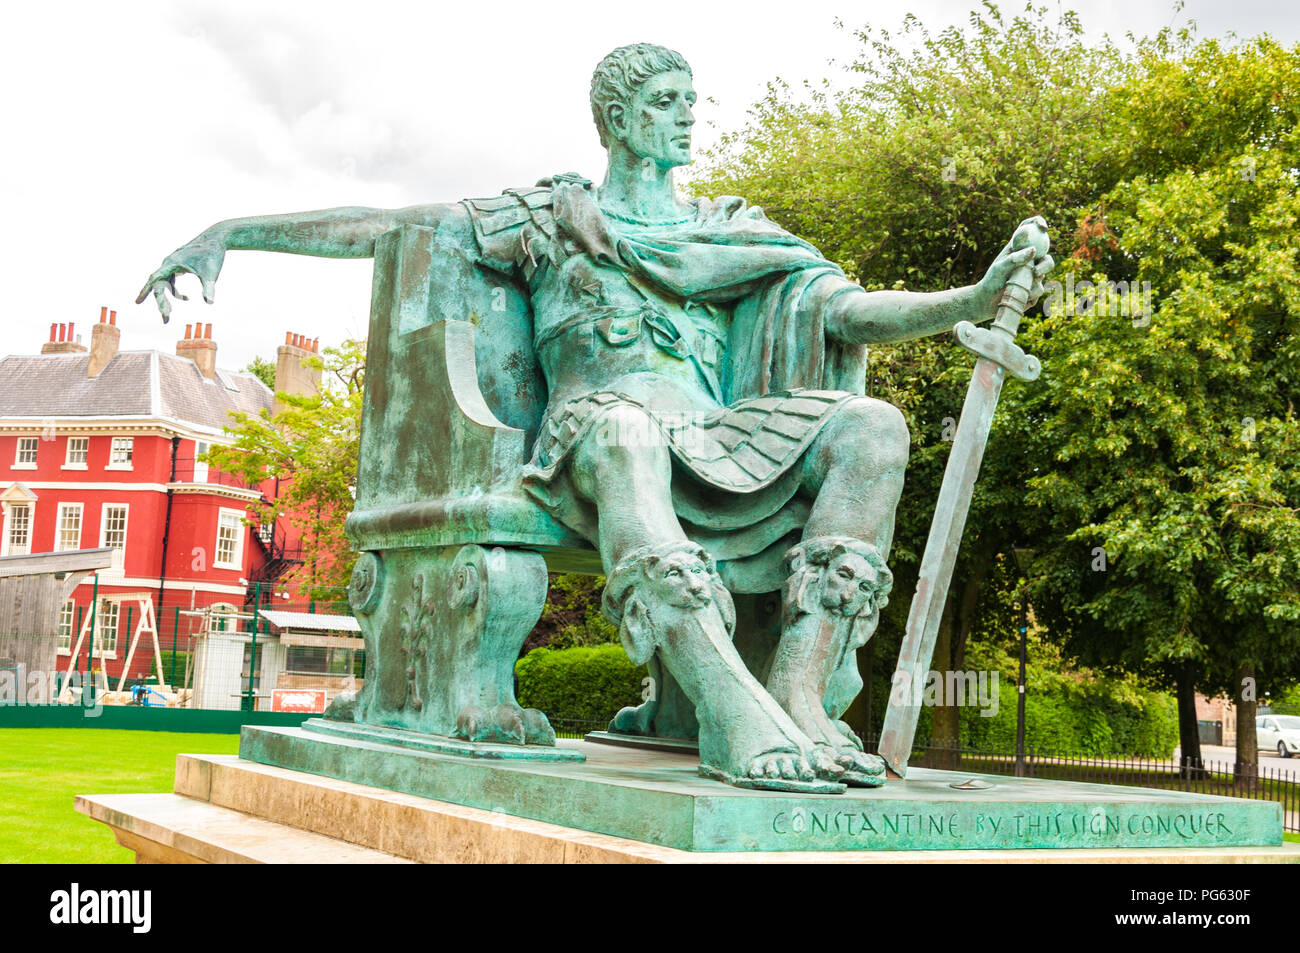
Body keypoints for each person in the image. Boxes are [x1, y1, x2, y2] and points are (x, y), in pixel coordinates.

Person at [138, 43, 1051, 793]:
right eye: (665, 100)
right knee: (627, 434)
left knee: (874, 424)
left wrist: (969, 296)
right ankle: (731, 715)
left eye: (692, 99)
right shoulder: (547, 215)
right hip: (596, 432)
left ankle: (799, 695)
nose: (688, 115)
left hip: (716, 443)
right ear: (617, 119)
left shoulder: (728, 227)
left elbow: (845, 310)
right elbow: (388, 224)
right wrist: (234, 230)